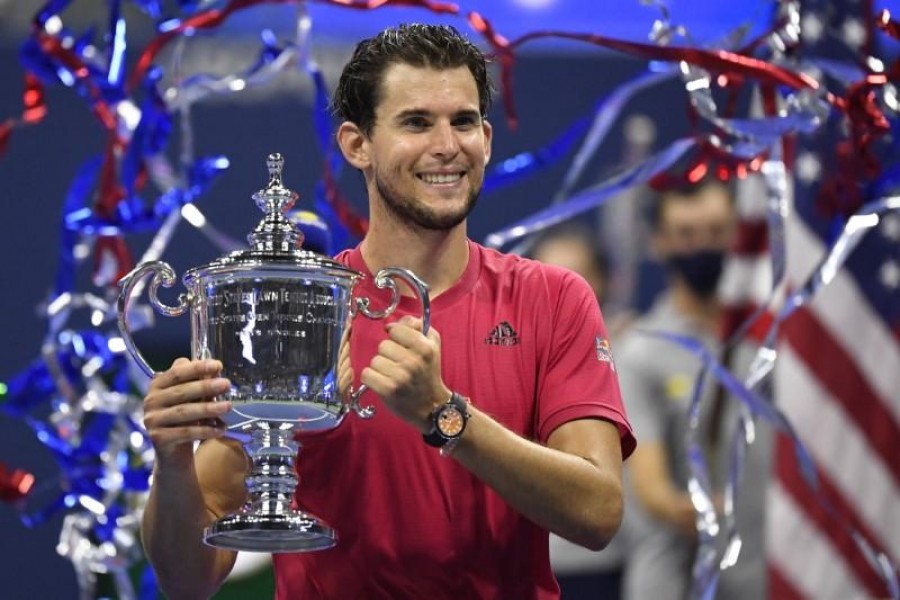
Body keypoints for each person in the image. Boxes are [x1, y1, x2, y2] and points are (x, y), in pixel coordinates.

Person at [139, 23, 635, 599]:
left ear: (488, 139)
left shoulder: (553, 299)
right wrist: (172, 460)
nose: (448, 145)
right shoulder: (298, 310)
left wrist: (445, 415)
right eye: (417, 122)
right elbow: (187, 579)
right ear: (358, 145)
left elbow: (599, 513)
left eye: (464, 121)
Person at [615, 178, 771, 600]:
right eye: (686, 235)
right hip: (676, 583)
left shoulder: (768, 337)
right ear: (659, 242)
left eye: (716, 232)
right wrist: (683, 507)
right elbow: (649, 483)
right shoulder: (640, 351)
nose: (703, 245)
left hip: (765, 581)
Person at [527, 223, 628, 600]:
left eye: (576, 279)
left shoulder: (631, 354)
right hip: (534, 563)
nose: (562, 295)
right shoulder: (507, 355)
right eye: (551, 279)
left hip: (606, 563)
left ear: (602, 282)